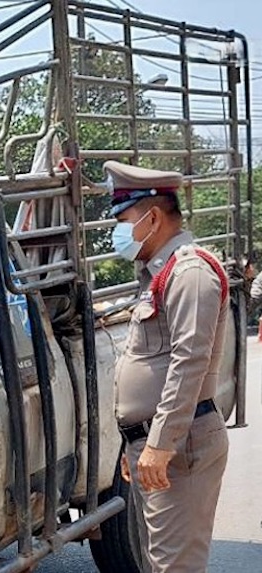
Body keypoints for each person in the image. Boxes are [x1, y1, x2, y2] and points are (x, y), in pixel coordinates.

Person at [106, 160, 229, 573]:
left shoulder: (190, 270)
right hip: (159, 444)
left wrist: (159, 443)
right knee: (157, 565)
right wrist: (135, 442)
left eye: (123, 220)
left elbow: (189, 361)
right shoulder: (159, 274)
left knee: (174, 568)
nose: (118, 232)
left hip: (181, 444)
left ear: (152, 217)